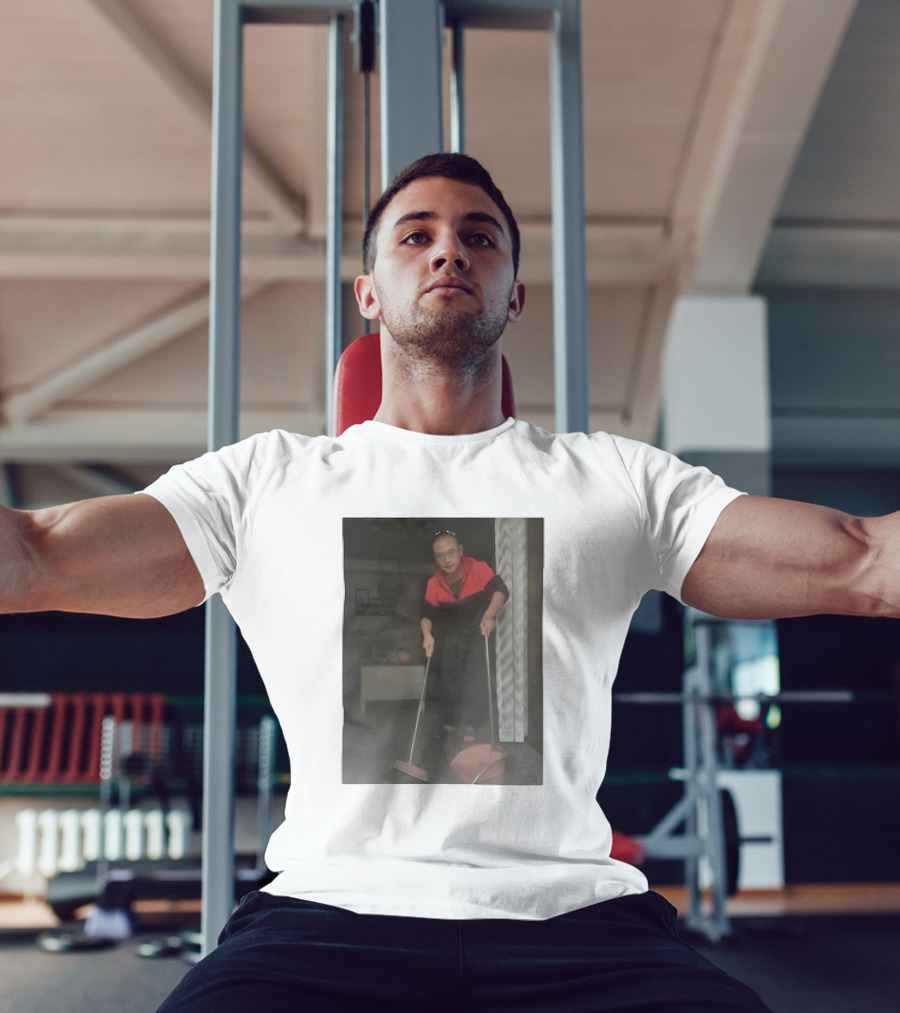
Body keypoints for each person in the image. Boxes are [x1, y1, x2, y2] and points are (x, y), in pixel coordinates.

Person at [3, 152, 899, 1012]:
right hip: (326, 914)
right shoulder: (263, 482)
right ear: (368, 294)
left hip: (575, 919)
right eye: (416, 235)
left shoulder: (613, 480)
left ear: (515, 293)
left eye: (479, 236)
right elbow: (40, 553)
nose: (448, 250)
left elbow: (861, 558)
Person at [420, 529, 508, 753]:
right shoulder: (434, 583)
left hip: (478, 631)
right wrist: (427, 634)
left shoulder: (478, 568)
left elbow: (500, 591)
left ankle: (471, 725)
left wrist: (489, 615)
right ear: (435, 558)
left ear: (460, 551)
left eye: (451, 553)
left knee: (477, 679)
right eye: (441, 556)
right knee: (449, 679)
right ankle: (452, 722)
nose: (447, 560)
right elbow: (427, 614)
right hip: (451, 634)